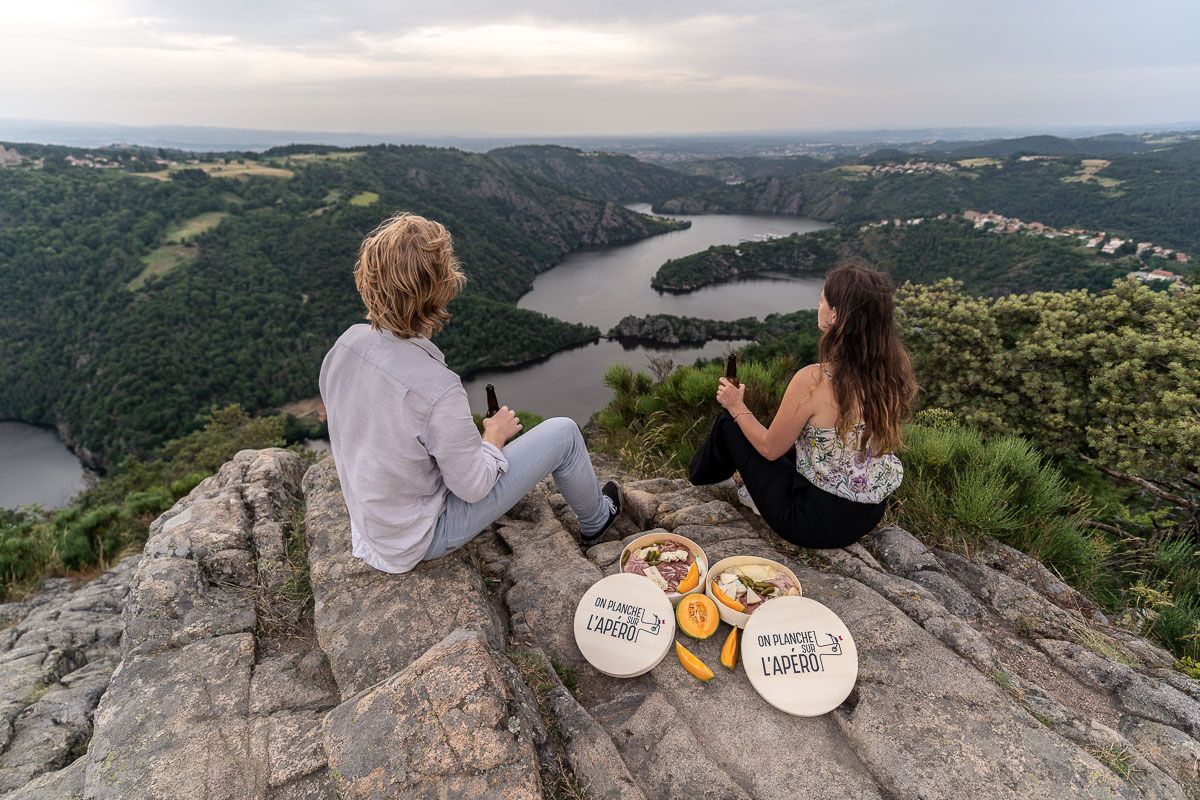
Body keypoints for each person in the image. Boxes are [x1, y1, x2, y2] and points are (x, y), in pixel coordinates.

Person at [319, 212, 621, 574]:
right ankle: (598, 519)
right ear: (440, 290)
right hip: (417, 538)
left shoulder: (345, 346)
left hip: (372, 524)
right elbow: (474, 487)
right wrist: (493, 436)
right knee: (565, 434)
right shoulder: (437, 388)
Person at [687, 263, 917, 549]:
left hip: (811, 524)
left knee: (729, 424)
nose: (818, 304)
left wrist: (736, 405)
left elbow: (771, 449)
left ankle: (704, 480)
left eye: (822, 299)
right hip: (867, 514)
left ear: (835, 315)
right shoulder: (890, 369)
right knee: (798, 441)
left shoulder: (815, 379)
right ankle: (750, 487)